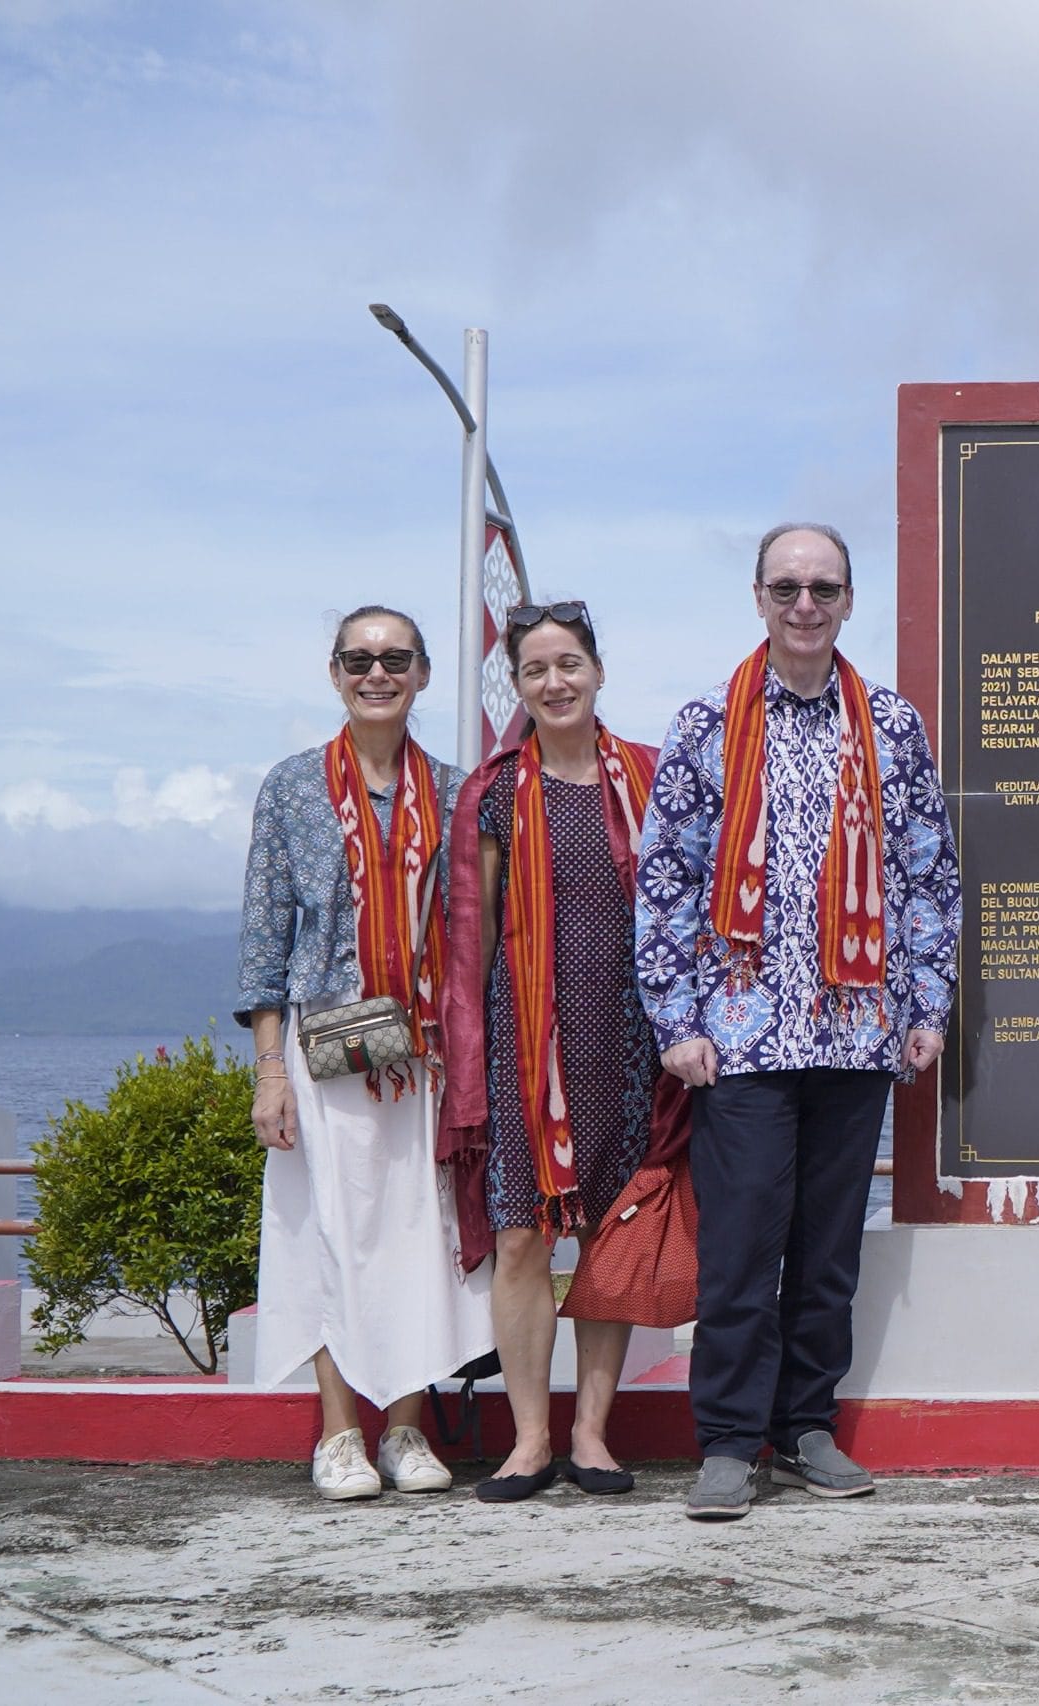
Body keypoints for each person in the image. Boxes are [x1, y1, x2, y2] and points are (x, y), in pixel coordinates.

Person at [635, 523, 960, 1521]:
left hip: (857, 1034)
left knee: (827, 1252)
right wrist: (676, 1019)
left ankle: (807, 1426)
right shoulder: (706, 723)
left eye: (823, 588)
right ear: (759, 597)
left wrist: (928, 1003)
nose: (805, 604)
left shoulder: (891, 725)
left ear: (849, 600)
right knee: (741, 1248)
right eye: (787, 587)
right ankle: (731, 1441)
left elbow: (927, 871)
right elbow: (666, 877)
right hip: (739, 1037)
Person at [236, 605, 494, 1500]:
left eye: (394, 659)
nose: (375, 674)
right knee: (329, 1233)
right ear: (335, 673)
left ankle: (407, 1430)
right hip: (328, 1042)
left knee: (422, 1234)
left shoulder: (459, 792)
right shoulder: (292, 788)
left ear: (422, 673)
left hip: (426, 1050)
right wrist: (270, 1071)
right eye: (358, 659)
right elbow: (264, 939)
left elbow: (480, 932)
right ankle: (341, 1433)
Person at [440, 600, 687, 1502]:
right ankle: (530, 1439)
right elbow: (473, 934)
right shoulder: (495, 790)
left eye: (569, 663)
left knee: (608, 1236)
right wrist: (467, 1057)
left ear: (598, 671)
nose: (555, 682)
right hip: (524, 1045)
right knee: (521, 1238)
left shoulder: (651, 776)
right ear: (517, 686)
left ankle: (592, 1434)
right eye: (535, 670)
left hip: (629, 1042)